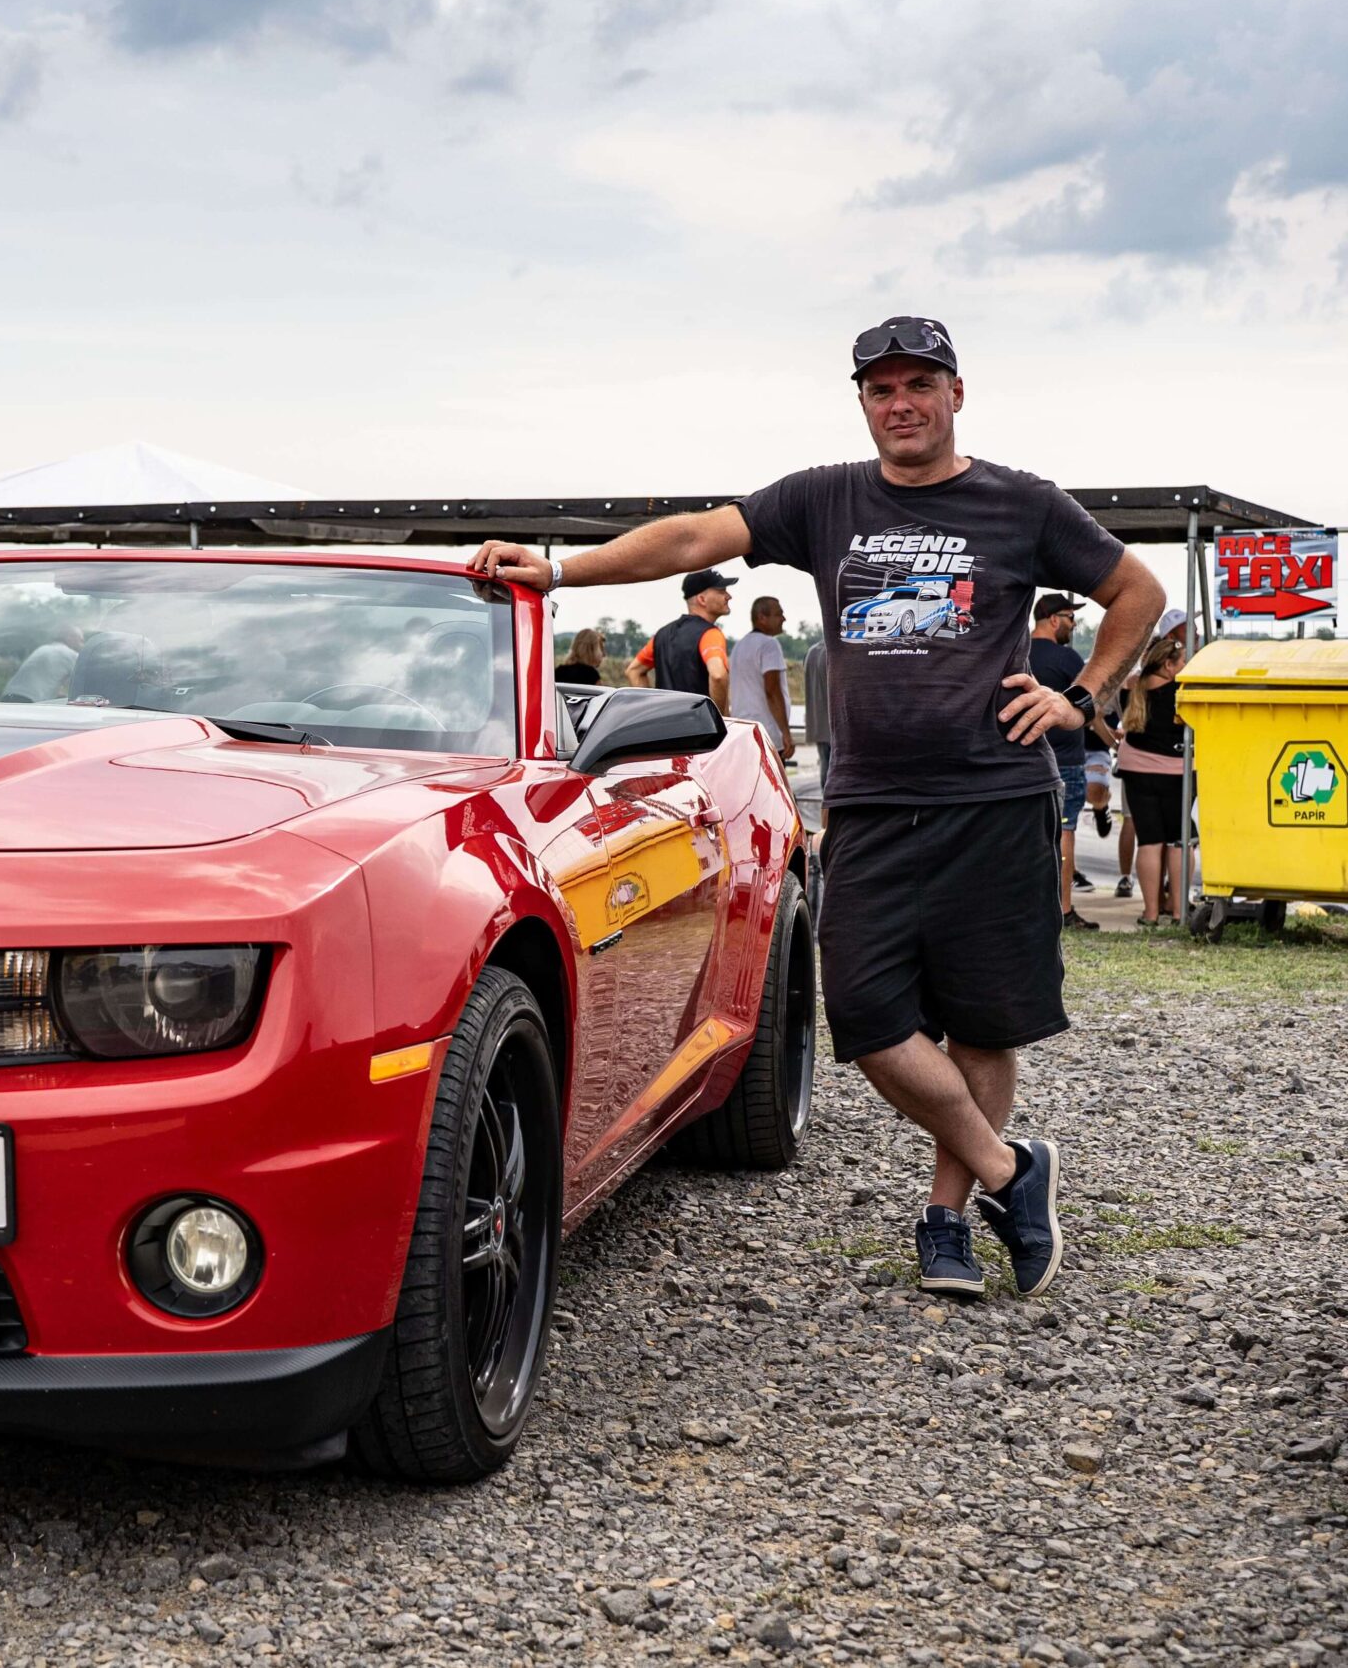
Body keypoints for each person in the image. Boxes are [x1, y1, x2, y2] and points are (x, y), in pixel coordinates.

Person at [466, 315, 1165, 1302]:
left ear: (956, 393)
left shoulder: (1021, 503)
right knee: (866, 1016)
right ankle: (1012, 1170)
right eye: (881, 389)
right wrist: (558, 571)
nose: (901, 403)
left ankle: (947, 1218)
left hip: (992, 799)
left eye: (918, 384)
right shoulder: (824, 498)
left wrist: (1081, 697)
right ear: (863, 402)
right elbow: (694, 535)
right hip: (872, 803)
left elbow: (1136, 588)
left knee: (981, 1025)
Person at [1028, 594, 1100, 929]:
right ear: (1054, 620)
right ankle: (1064, 908)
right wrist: (1111, 739)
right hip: (1066, 761)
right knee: (1065, 831)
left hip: (1025, 756)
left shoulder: (1016, 652)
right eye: (1071, 618)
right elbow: (1090, 701)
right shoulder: (1067, 658)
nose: (1074, 624)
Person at [1116, 632, 1190, 927]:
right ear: (1169, 665)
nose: (1185, 667)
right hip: (1175, 773)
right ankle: (1178, 910)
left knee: (1149, 841)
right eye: (1182, 662)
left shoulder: (1131, 688)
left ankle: (1150, 913)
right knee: (1179, 840)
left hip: (1135, 770)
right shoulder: (1181, 693)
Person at [628, 570, 734, 708]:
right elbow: (718, 675)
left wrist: (649, 708)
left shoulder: (662, 635)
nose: (728, 596)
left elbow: (634, 671)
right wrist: (719, 717)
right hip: (698, 720)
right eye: (721, 591)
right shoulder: (710, 634)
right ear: (702, 599)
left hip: (665, 719)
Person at [726, 597, 795, 761]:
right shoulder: (769, 644)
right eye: (778, 614)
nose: (783, 619)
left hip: (742, 731)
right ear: (762, 618)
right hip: (766, 733)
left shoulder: (738, 647)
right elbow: (772, 691)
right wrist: (786, 733)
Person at [2, 625, 85, 701]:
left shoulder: (42, 649)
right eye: (81, 641)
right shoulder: (71, 655)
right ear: (70, 638)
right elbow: (84, 683)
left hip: (7, 697)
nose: (82, 645)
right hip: (29, 701)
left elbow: (43, 679)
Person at [802, 636, 832, 818]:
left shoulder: (811, 652)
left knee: (825, 773)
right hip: (835, 727)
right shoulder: (834, 652)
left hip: (818, 723)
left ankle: (825, 821)